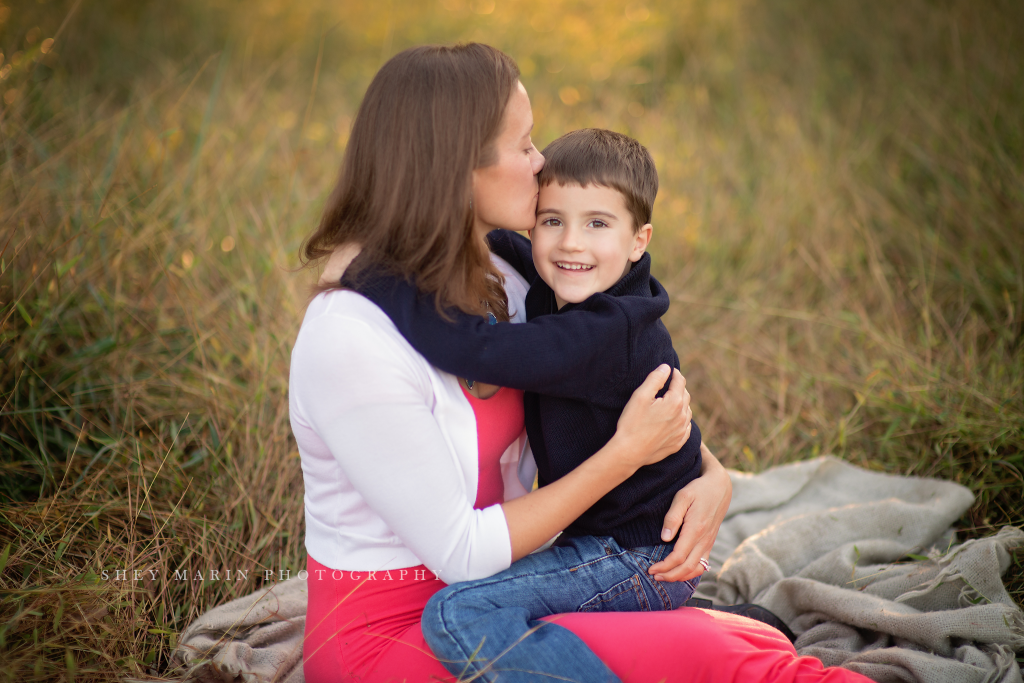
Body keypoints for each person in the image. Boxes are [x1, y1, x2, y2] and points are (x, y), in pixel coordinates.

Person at [292, 42, 872, 683]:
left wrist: (712, 476)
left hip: (519, 584)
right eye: (525, 144)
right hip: (400, 633)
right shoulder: (350, 337)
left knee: (739, 646)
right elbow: (463, 550)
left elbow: (623, 379)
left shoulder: (510, 270)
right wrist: (626, 455)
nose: (541, 162)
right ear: (458, 167)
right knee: (735, 662)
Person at [347, 128, 713, 681]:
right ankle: (726, 627)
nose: (570, 243)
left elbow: (481, 351)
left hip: (636, 556)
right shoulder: (573, 283)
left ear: (640, 240)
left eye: (597, 223)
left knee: (457, 611)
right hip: (612, 542)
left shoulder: (606, 331)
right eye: (552, 220)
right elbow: (497, 243)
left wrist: (382, 282)